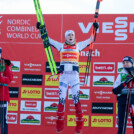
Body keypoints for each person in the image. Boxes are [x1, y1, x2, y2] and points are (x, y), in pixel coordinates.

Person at [36, 22, 99, 134]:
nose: (70, 37)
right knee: (61, 100)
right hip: (64, 77)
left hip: (74, 77)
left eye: (72, 35)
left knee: (76, 100)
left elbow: (91, 40)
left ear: (75, 37)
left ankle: (79, 126)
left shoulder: (78, 46)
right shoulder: (61, 46)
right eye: (68, 35)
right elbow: (48, 40)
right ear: (65, 37)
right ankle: (59, 125)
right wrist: (41, 29)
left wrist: (95, 29)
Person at [112, 56, 134, 134]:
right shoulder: (121, 75)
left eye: (127, 62)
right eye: (124, 63)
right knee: (121, 125)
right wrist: (125, 83)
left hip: (133, 101)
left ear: (132, 63)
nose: (125, 64)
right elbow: (114, 91)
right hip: (123, 101)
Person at [0, 47, 13, 134]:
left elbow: (9, 78)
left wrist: (0, 79)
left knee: (3, 121)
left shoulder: (4, 64)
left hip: (2, 97)